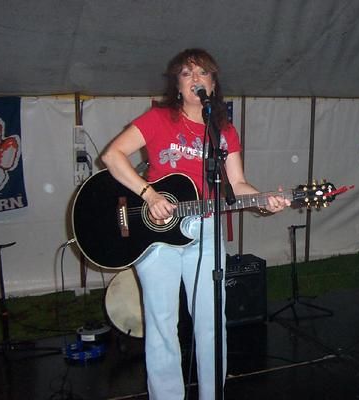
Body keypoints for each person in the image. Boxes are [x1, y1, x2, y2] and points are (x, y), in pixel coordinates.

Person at [101, 48, 290, 400]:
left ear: (213, 84)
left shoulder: (224, 130)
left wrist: (264, 201)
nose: (195, 79)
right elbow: (112, 155)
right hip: (156, 235)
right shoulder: (158, 118)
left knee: (211, 323)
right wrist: (149, 195)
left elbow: (237, 184)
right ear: (177, 84)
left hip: (206, 230)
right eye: (187, 73)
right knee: (162, 325)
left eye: (203, 73)